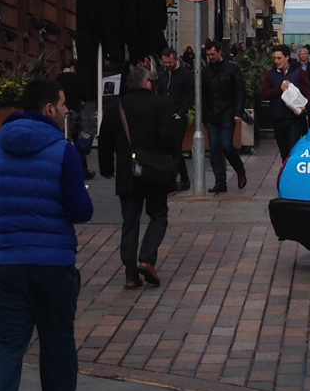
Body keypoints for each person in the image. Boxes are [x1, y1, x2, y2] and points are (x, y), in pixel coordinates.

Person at [0, 78, 93, 391]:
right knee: (57, 348)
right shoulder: (63, 151)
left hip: (8, 267)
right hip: (54, 268)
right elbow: (81, 210)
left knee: (5, 348)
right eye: (64, 104)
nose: (67, 110)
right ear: (49, 108)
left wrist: (3, 246)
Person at [99, 67, 175, 289]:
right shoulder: (160, 104)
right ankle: (147, 259)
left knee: (130, 222)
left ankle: (131, 275)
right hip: (154, 171)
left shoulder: (116, 107)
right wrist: (170, 162)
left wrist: (106, 169)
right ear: (147, 83)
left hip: (127, 173)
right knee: (159, 215)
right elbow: (168, 138)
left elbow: (105, 142)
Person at [201, 41, 247, 193]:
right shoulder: (206, 71)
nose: (211, 57)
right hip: (211, 114)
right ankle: (220, 181)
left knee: (226, 144)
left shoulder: (232, 68)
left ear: (220, 52)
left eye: (213, 54)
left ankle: (239, 170)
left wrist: (238, 113)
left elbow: (240, 91)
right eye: (208, 55)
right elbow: (202, 94)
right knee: (214, 148)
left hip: (228, 112)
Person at [261, 44, 310, 161]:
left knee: (292, 150)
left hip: (294, 119)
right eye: (274, 58)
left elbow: (309, 93)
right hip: (278, 118)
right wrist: (279, 90)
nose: (276, 61)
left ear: (287, 57)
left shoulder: (299, 72)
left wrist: (305, 108)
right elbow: (264, 93)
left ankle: (291, 175)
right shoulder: (270, 75)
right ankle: (285, 174)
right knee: (284, 153)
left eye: (279, 58)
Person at [156, 47, 193, 191]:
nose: (167, 65)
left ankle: (171, 179)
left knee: (176, 148)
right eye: (165, 62)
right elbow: (160, 93)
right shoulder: (163, 76)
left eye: (169, 62)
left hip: (178, 117)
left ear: (176, 59)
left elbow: (190, 95)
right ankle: (184, 178)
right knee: (171, 149)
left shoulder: (185, 75)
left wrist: (181, 112)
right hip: (166, 116)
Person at [54, 60, 94, 180]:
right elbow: (83, 95)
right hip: (74, 112)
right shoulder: (75, 79)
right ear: (72, 67)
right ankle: (84, 169)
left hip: (61, 113)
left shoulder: (57, 80)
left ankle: (63, 169)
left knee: (62, 138)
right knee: (77, 141)